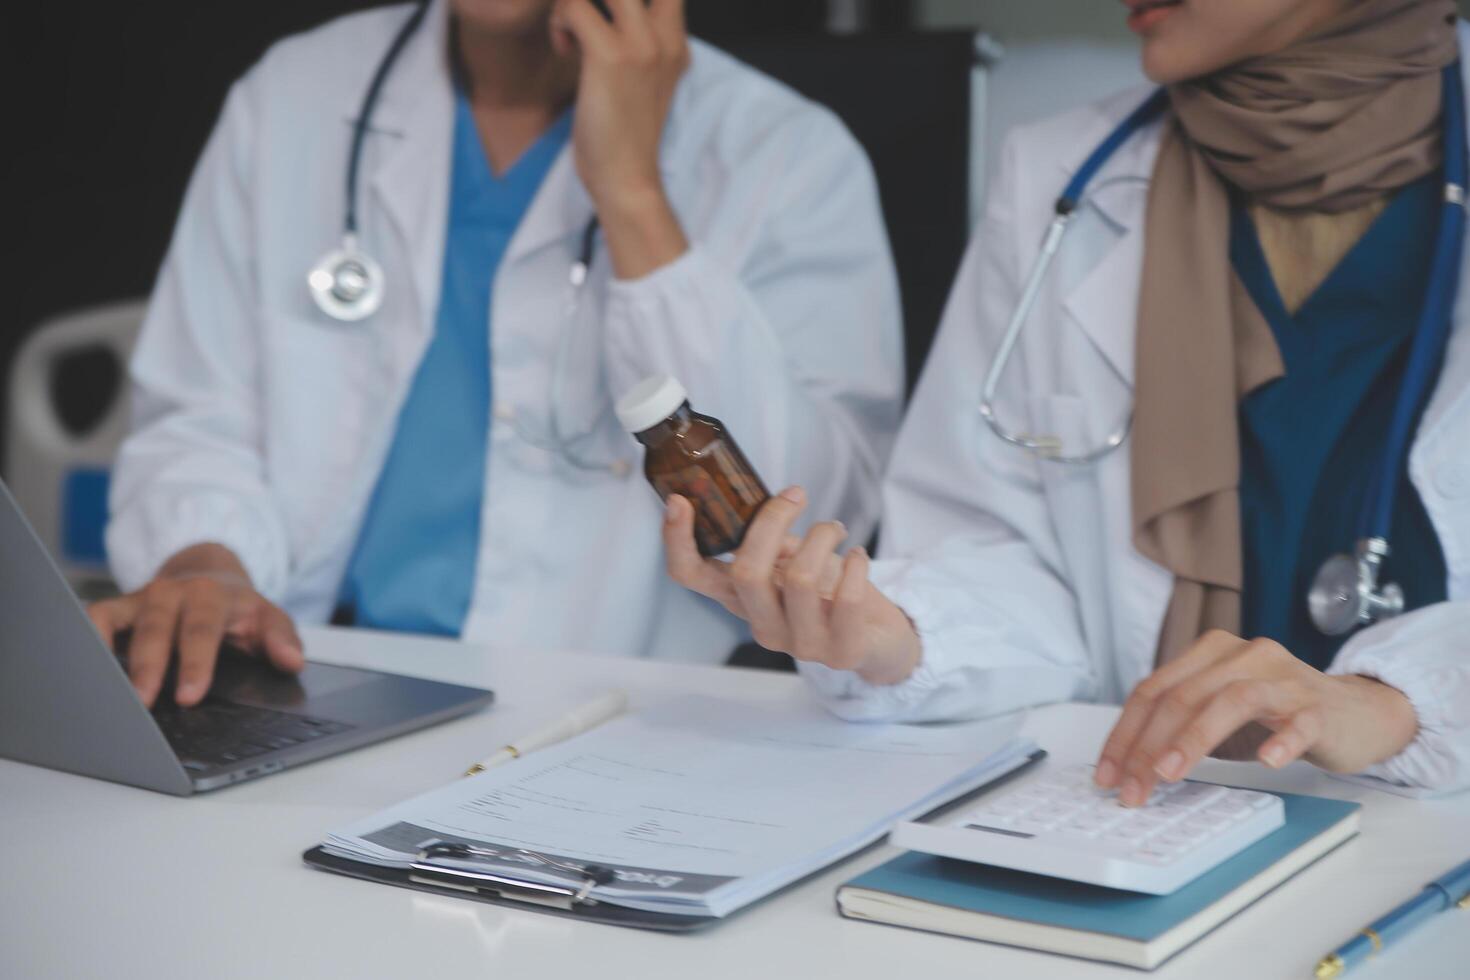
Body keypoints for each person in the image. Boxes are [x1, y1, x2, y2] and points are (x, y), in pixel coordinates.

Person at [665, 0, 1470, 800]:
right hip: (1163, 815)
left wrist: (1392, 703)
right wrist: (899, 636)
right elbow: (1014, 560)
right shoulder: (1062, 175)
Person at [94, 0, 902, 708]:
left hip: (610, 709)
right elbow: (198, 417)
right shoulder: (293, 93)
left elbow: (804, 522)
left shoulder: (788, 155)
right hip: (307, 674)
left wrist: (630, 192)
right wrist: (209, 565)